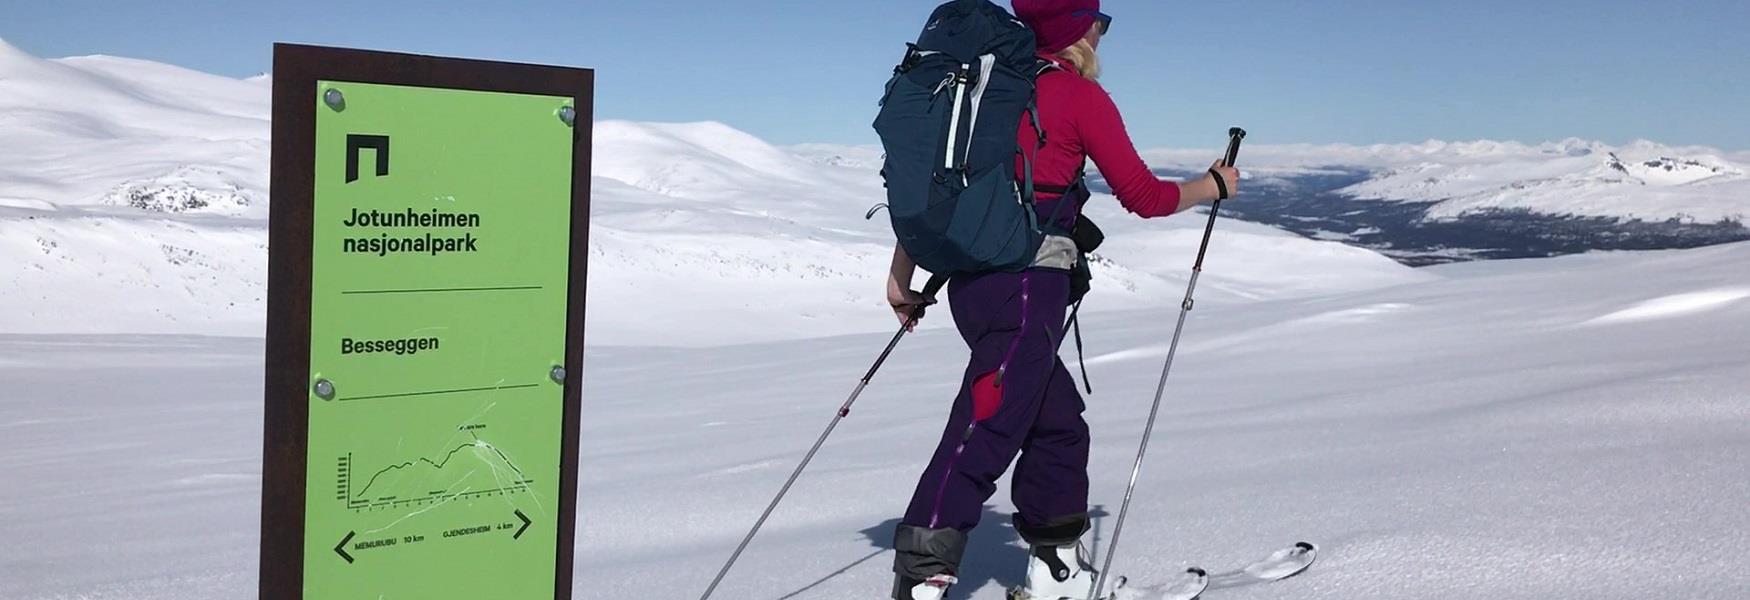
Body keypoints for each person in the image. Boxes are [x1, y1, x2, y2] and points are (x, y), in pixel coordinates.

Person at [883, 1, 1240, 599]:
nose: (1104, 31)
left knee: (1058, 427)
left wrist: (901, 277)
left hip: (974, 288)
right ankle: (921, 580)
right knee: (987, 426)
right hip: (1028, 291)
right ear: (1084, 28)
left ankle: (1057, 575)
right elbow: (1144, 197)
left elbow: (934, 187)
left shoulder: (985, 92)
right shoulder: (1076, 98)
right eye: (1101, 21)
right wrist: (1214, 185)